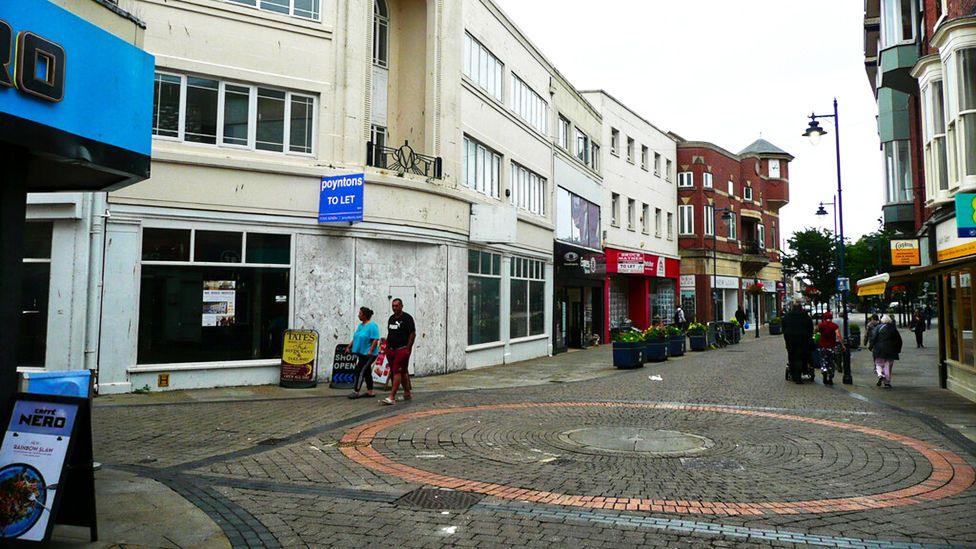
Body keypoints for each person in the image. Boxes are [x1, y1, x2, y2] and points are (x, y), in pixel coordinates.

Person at [381, 298, 416, 405]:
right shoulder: (391, 318)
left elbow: (412, 334)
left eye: (396, 306)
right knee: (402, 371)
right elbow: (390, 333)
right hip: (391, 349)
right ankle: (407, 393)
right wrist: (386, 347)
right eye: (393, 306)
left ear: (401, 306)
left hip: (402, 349)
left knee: (397, 371)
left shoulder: (407, 318)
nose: (394, 308)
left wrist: (408, 348)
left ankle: (392, 396)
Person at [346, 307, 380, 399]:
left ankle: (356, 391)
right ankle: (370, 391)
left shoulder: (372, 326)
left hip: (369, 354)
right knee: (367, 371)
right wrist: (349, 346)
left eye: (360, 313)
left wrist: (370, 351)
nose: (358, 315)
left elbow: (375, 339)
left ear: (365, 315)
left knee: (359, 370)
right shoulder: (361, 326)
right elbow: (356, 337)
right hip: (361, 353)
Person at [782, 301, 814, 384]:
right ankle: (803, 370)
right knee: (803, 356)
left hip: (791, 340)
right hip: (803, 340)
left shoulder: (788, 316)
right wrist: (809, 337)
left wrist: (786, 337)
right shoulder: (805, 316)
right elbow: (810, 328)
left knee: (792, 356)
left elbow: (784, 327)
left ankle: (794, 373)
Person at [870, 315, 902, 388]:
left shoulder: (877, 328)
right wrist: (898, 349)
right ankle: (887, 381)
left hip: (879, 349)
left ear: (882, 320)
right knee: (888, 365)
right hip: (891, 349)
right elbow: (899, 340)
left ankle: (880, 374)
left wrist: (871, 346)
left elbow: (873, 338)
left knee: (878, 363)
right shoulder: (893, 329)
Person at [816, 310, 843, 385]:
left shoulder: (820, 325)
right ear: (831, 318)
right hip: (831, 346)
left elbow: (816, 333)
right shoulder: (834, 326)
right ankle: (830, 377)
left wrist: (816, 340)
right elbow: (838, 335)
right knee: (831, 362)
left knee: (823, 360)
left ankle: (824, 371)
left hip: (823, 347)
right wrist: (842, 344)